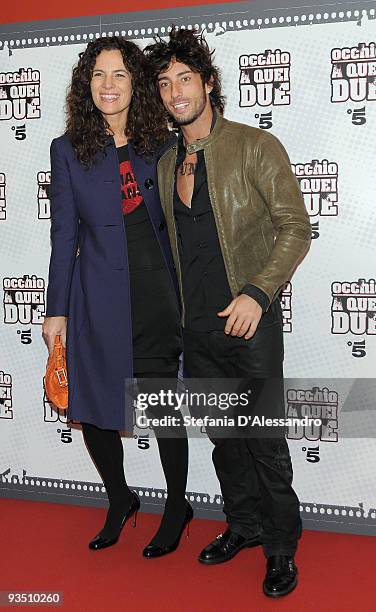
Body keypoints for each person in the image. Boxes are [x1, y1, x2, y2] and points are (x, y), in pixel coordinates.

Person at [145, 28, 311, 596]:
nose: (175, 92)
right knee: (224, 436)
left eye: (184, 79)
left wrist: (258, 293)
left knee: (263, 437)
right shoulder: (168, 164)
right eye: (165, 84)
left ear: (208, 82)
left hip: (251, 324)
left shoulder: (254, 146)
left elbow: (296, 227)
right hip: (198, 330)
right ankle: (242, 527)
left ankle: (282, 547)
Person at [42, 36, 192, 557]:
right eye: (99, 75)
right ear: (88, 84)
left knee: (163, 402)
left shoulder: (165, 144)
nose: (109, 85)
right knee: (95, 403)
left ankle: (177, 505)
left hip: (156, 290)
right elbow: (64, 235)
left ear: (136, 84)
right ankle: (119, 497)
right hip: (97, 293)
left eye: (121, 75)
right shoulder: (67, 150)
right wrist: (55, 310)